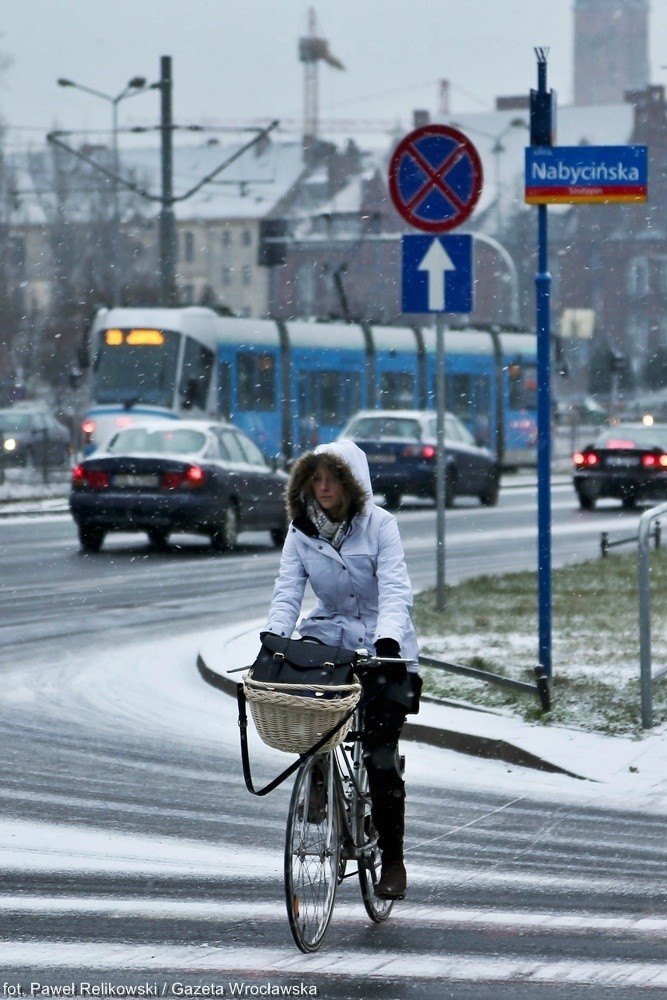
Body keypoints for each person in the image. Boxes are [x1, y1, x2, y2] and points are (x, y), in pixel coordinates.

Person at [264, 439, 421, 900]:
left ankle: (392, 858)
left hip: (382, 644)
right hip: (329, 633)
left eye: (332, 477)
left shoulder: (381, 526)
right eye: (315, 478)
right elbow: (287, 591)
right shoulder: (300, 531)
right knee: (303, 700)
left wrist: (388, 638)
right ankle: (316, 773)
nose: (324, 486)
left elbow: (396, 589)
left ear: (352, 484)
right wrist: (275, 636)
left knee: (379, 754)